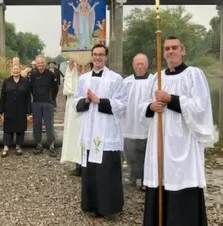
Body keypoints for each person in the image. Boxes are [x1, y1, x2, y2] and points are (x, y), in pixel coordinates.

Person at [140, 36, 214, 226]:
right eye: (167, 49)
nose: (170, 51)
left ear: (183, 50)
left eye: (174, 48)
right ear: (163, 53)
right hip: (159, 141)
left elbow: (200, 108)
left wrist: (170, 98)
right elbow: (141, 105)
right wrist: (151, 106)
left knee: (180, 178)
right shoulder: (157, 77)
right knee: (160, 179)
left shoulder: (193, 75)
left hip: (184, 142)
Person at [72, 44, 127, 217]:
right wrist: (86, 101)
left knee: (106, 171)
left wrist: (99, 101)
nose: (97, 58)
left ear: (106, 57)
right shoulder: (84, 79)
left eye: (101, 55)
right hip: (90, 132)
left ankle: (108, 208)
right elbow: (75, 101)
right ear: (91, 57)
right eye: (95, 55)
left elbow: (121, 104)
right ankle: (91, 205)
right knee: (91, 171)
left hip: (106, 132)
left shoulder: (116, 79)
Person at [122, 53, 154, 191]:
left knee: (145, 152)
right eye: (137, 64)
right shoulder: (127, 82)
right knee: (130, 151)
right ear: (133, 65)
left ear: (147, 65)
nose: (140, 67)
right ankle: (134, 176)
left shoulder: (154, 81)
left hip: (146, 124)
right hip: (129, 122)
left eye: (142, 64)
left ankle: (145, 179)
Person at [0, 64, 32, 157]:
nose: (16, 71)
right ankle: (6, 147)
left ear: (20, 70)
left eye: (17, 69)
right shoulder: (6, 81)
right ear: (11, 70)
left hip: (21, 109)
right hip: (9, 108)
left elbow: (28, 97)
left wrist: (29, 111)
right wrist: (1, 111)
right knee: (7, 129)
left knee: (20, 128)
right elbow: (2, 96)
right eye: (14, 69)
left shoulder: (25, 82)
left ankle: (18, 147)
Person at [29, 55, 58, 157]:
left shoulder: (50, 75)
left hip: (48, 103)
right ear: (36, 64)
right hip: (36, 102)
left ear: (45, 63)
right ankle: (39, 144)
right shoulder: (33, 75)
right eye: (38, 63)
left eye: (41, 63)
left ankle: (51, 145)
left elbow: (56, 88)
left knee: (49, 124)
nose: (40, 65)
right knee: (36, 124)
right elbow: (31, 88)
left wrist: (51, 99)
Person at [60, 60, 84, 176]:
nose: (79, 67)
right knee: (73, 136)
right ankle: (77, 163)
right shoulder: (70, 72)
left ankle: (85, 164)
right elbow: (67, 89)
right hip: (73, 109)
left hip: (84, 109)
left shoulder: (87, 75)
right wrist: (71, 67)